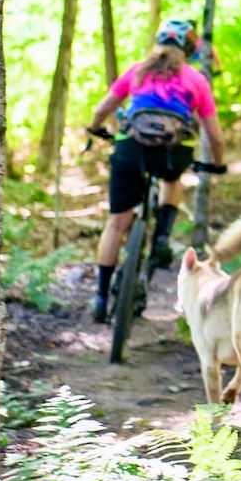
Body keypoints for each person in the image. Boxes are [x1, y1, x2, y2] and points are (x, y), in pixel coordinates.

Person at [86, 19, 226, 324]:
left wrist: (94, 129)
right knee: (172, 178)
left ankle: (99, 297)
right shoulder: (196, 79)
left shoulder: (138, 71)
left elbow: (101, 110)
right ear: (189, 49)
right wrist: (217, 163)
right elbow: (214, 136)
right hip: (169, 153)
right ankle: (161, 236)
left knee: (116, 223)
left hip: (130, 150)